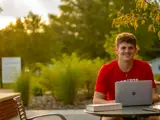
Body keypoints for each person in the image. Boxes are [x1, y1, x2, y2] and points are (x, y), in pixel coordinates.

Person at [93, 32, 160, 120]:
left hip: (141, 112)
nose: (127, 51)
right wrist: (116, 103)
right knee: (111, 119)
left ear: (135, 50)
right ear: (116, 50)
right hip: (115, 112)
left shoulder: (145, 67)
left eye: (130, 48)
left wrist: (143, 99)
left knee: (154, 117)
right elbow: (96, 100)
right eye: (123, 48)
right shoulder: (106, 69)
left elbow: (154, 95)